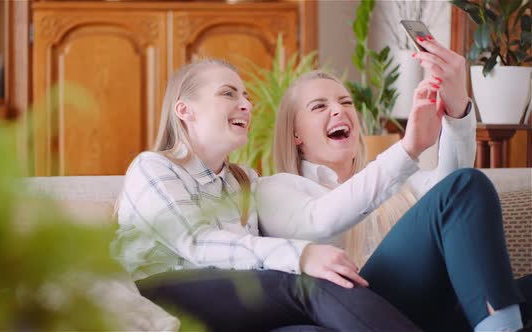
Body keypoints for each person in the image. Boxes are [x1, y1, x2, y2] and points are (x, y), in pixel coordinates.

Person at [111, 59, 421, 331]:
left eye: (246, 96)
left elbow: (319, 214)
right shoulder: (153, 167)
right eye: (228, 93)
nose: (246, 104)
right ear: (185, 110)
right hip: (161, 298)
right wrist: (301, 255)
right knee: (309, 286)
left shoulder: (245, 182)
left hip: (235, 306)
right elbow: (197, 242)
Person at [257, 35, 531, 331]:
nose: (339, 110)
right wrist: (408, 148)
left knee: (466, 187)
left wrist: (456, 106)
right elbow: (320, 221)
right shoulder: (276, 188)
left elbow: (455, 191)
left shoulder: (399, 182)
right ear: (295, 134)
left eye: (345, 101)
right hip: (358, 312)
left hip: (428, 311)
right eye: (319, 106)